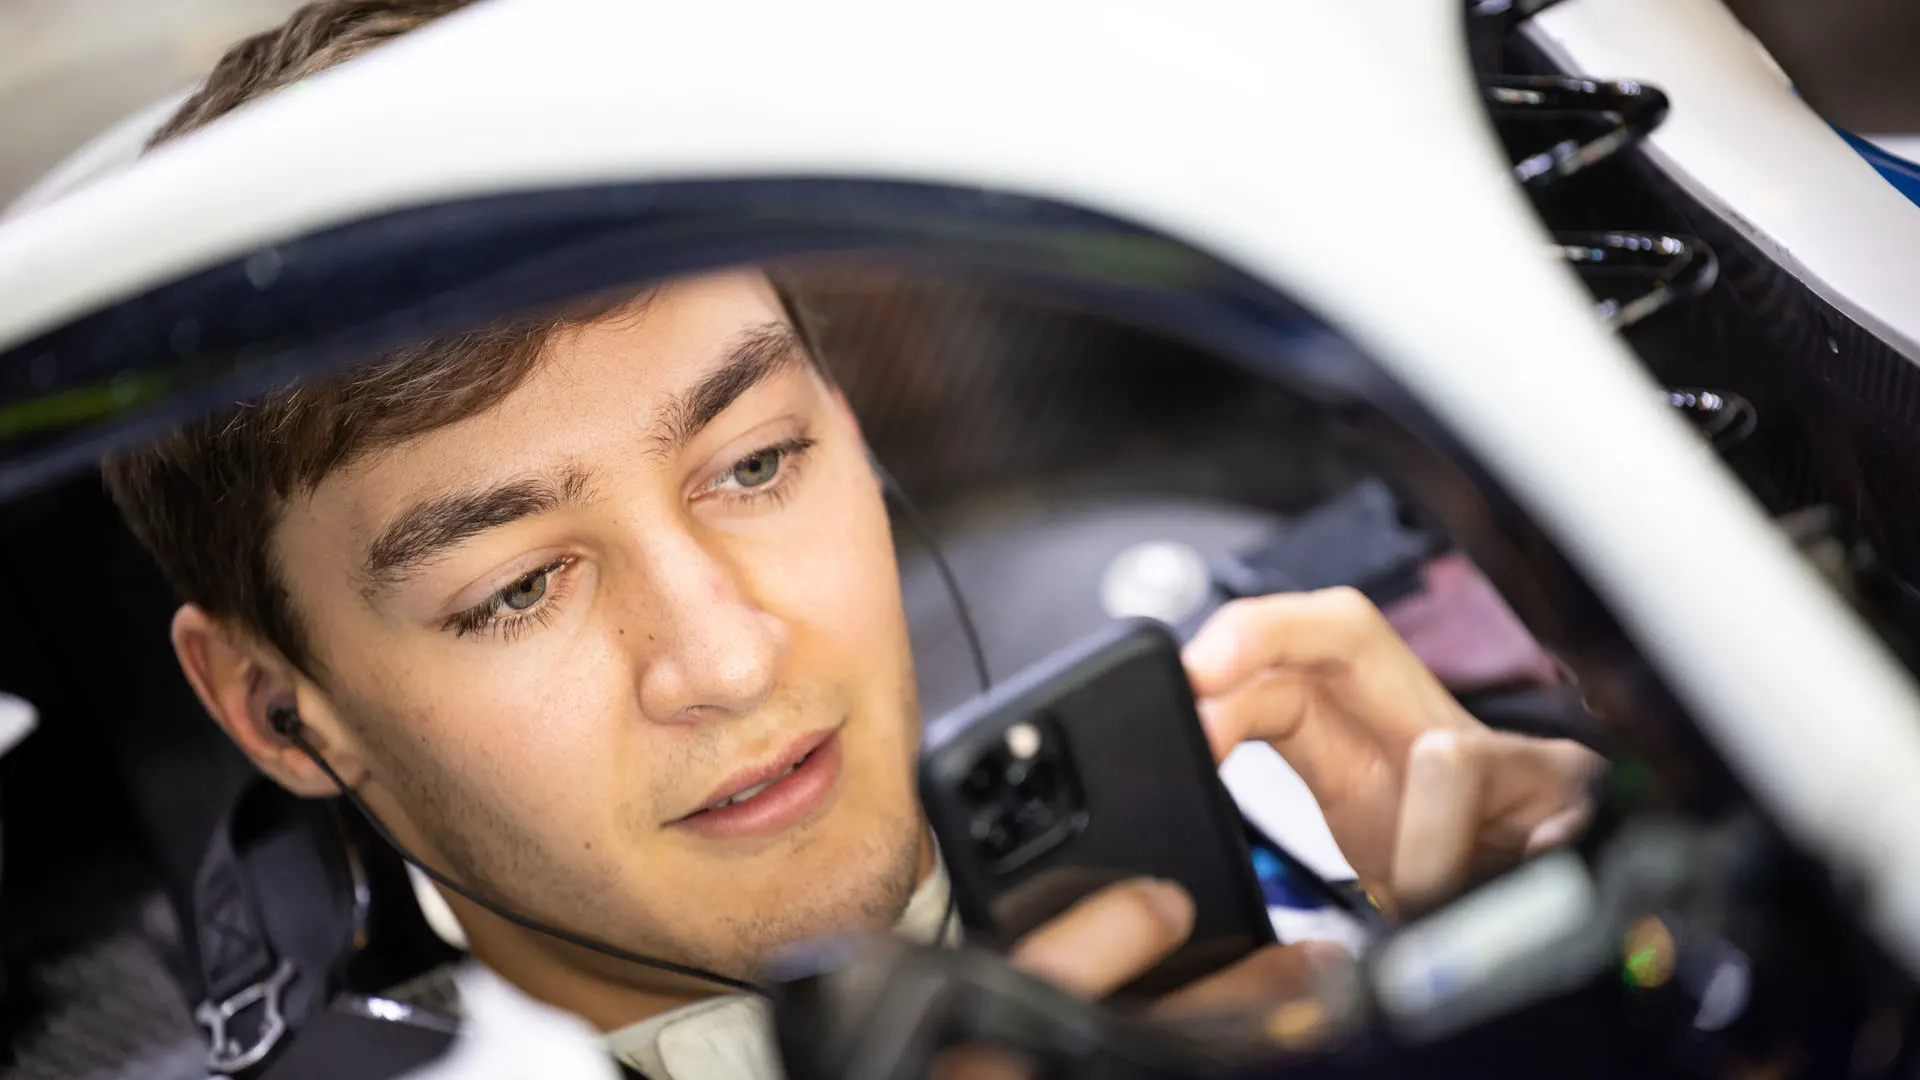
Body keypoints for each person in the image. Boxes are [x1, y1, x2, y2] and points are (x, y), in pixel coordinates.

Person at [101, 2, 1606, 1076]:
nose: (727, 653)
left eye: (755, 461)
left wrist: (1577, 981)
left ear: (850, 419)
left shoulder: (1307, 773)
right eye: (517, 589)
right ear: (280, 712)